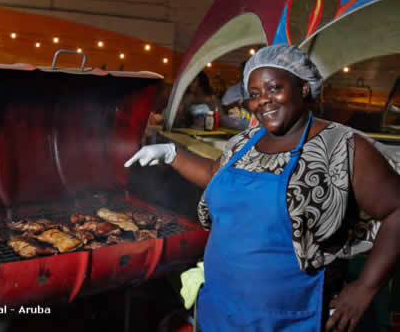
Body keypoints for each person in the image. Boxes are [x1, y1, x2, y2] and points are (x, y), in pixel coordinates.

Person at [124, 44, 400, 331]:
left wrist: (365, 287)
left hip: (288, 316)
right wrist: (171, 154)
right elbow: (213, 174)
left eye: (274, 88)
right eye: (254, 94)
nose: (263, 101)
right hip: (221, 305)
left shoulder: (342, 147)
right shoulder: (246, 142)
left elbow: (396, 209)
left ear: (304, 88)